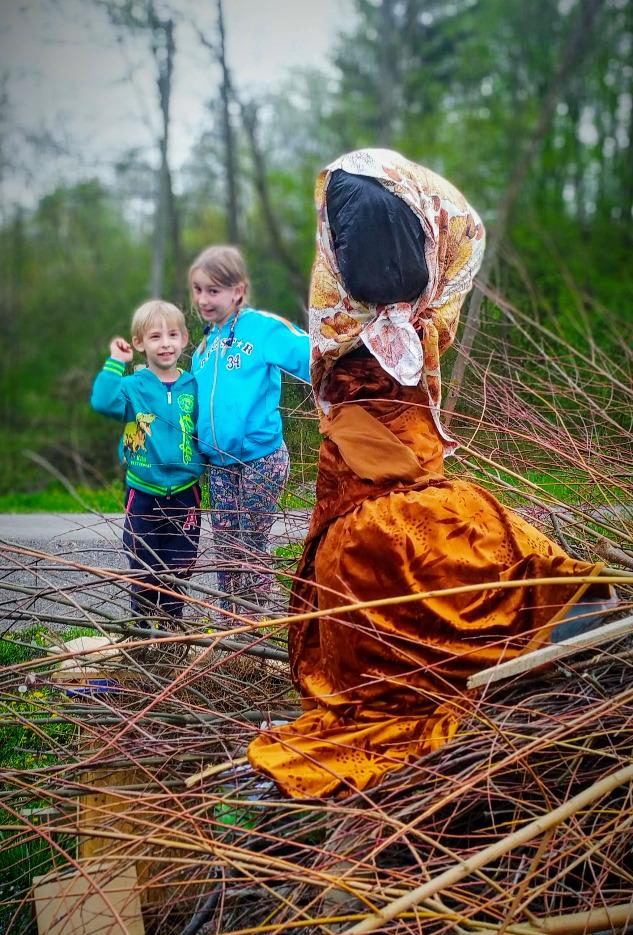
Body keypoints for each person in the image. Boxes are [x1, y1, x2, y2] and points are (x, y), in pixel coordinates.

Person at [247, 148, 615, 799]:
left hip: (380, 496)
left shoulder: (392, 327)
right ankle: (515, 620)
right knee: (400, 543)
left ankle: (518, 619)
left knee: (412, 540)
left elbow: (388, 457)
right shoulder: (376, 330)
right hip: (366, 495)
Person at [189, 245, 310, 609]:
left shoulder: (261, 328)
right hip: (220, 465)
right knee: (225, 546)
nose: (203, 299)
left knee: (251, 544)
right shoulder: (202, 350)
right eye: (197, 290)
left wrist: (344, 390)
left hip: (261, 457)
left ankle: (258, 620)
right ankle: (230, 623)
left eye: (213, 290)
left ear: (238, 290)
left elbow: (313, 357)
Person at [91, 299, 205, 626]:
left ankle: (171, 629)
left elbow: (207, 426)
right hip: (142, 492)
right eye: (155, 336)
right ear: (139, 343)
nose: (165, 343)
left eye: (172, 335)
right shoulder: (132, 387)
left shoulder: (193, 385)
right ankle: (141, 631)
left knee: (180, 566)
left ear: (184, 339)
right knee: (143, 567)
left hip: (185, 493)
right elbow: (102, 401)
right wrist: (116, 362)